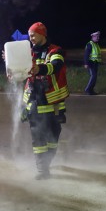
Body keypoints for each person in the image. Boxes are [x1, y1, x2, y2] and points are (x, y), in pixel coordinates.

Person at [19, 22, 69, 180]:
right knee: (38, 138)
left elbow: (56, 65)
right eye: (29, 35)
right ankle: (42, 170)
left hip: (53, 104)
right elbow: (18, 73)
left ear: (42, 34)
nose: (30, 38)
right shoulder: (27, 53)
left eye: (33, 34)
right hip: (34, 102)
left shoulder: (55, 50)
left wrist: (40, 69)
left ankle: (47, 163)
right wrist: (10, 61)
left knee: (53, 139)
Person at [83, 31, 101, 95]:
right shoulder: (90, 44)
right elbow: (86, 54)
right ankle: (88, 89)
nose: (98, 38)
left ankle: (91, 90)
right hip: (91, 63)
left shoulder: (96, 44)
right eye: (97, 36)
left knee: (94, 77)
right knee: (93, 76)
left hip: (95, 63)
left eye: (98, 36)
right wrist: (86, 63)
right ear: (93, 37)